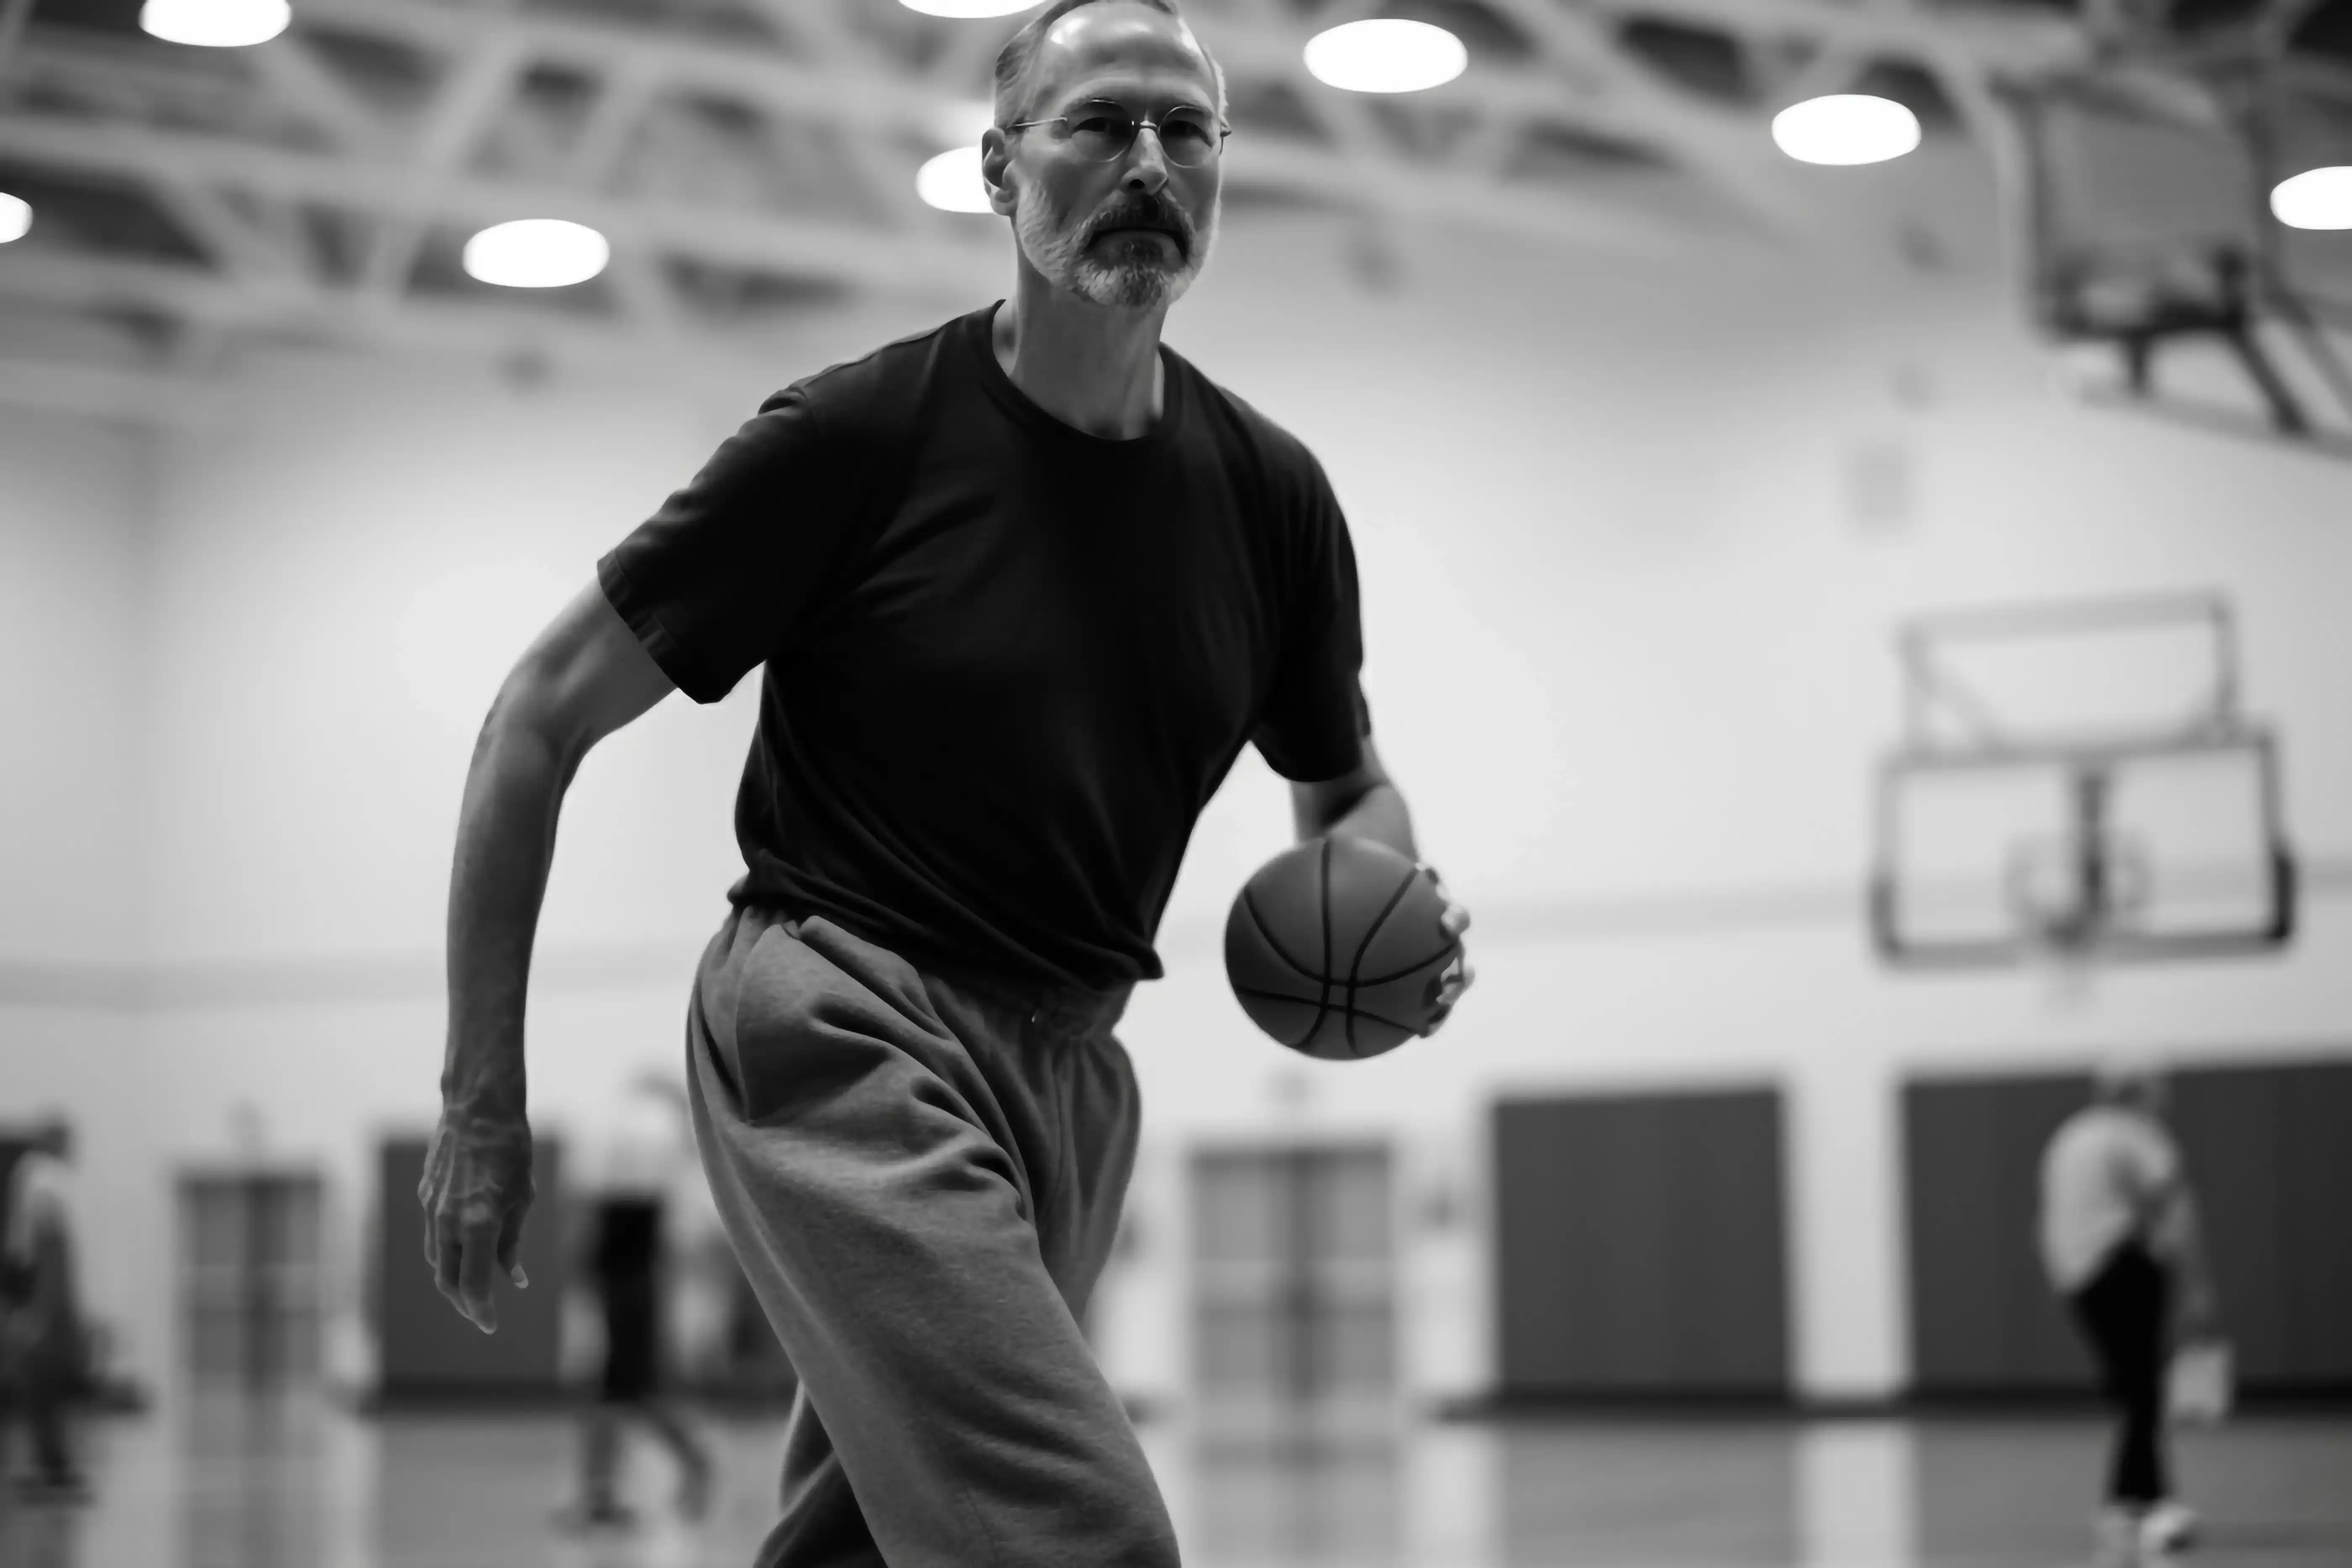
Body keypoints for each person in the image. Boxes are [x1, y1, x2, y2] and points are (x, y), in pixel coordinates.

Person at [416, 0, 1473, 1562]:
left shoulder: (1273, 500)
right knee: (1079, 1536)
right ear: (998, 168)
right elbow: (533, 721)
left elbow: (1346, 788)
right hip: (837, 1017)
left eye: (1188, 131)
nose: (1148, 161)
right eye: (1099, 122)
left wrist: (1389, 898)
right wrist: (480, 1102)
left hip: (1069, 1070)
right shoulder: (859, 439)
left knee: (866, 1543)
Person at [2039, 1056, 2220, 1562]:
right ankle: (2146, 1502)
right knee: (2143, 1388)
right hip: (2122, 1264)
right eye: (2157, 1089)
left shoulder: (2070, 1135)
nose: (2164, 1099)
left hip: (2076, 1276)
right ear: (2137, 1092)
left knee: (2135, 1388)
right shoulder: (2138, 1134)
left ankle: (2130, 1501)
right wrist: (2197, 1286)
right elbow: (2177, 1208)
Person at [556, 1075, 716, 1531]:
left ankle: (689, 1459)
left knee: (626, 1389)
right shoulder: (633, 1165)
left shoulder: (642, 1168)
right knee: (609, 1391)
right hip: (621, 1284)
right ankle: (600, 1491)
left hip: (629, 1288)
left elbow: (600, 1235)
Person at [0, 1119, 90, 1505]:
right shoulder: (44, 1179)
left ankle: (52, 1466)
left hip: (39, 1294)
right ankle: (52, 1467)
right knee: (42, 1384)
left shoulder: (37, 1179)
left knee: (44, 1387)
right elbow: (47, 1247)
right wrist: (41, 1309)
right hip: (43, 1296)